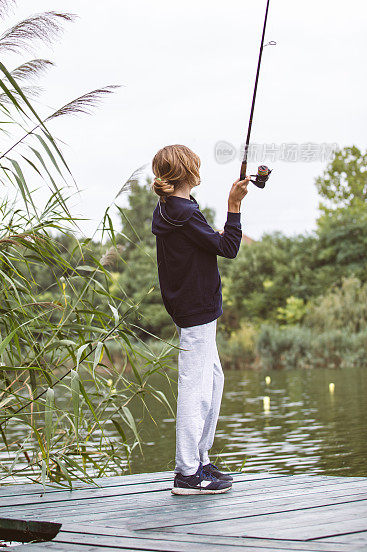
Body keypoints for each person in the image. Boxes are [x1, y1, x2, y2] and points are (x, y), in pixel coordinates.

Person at [151, 143, 248, 495]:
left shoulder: (171, 208)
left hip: (192, 306)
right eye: (195, 164)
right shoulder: (184, 212)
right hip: (196, 309)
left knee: (213, 381)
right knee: (196, 387)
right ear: (188, 172)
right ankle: (187, 472)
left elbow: (209, 244)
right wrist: (234, 206)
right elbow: (228, 248)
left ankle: (200, 459)